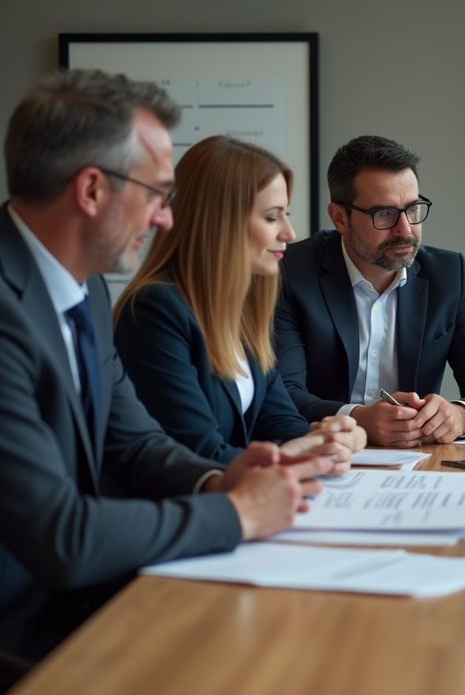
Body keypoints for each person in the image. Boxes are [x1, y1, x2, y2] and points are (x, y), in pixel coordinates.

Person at [0, 69, 330, 665]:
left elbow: (135, 445)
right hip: (27, 636)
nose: (165, 219)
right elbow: (62, 534)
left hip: (85, 603)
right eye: (156, 194)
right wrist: (234, 513)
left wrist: (220, 479)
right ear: (93, 190)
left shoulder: (84, 292)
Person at [113, 136, 366, 467]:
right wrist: (293, 457)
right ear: (221, 222)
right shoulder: (155, 311)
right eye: (273, 217)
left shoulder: (242, 311)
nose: (290, 233)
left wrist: (328, 439)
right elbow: (197, 453)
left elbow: (277, 421)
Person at [274, 135, 465, 448]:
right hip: (322, 457)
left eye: (413, 209)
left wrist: (460, 415)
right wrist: (356, 418)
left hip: (418, 465)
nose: (405, 229)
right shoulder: (291, 273)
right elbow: (281, 393)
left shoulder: (448, 275)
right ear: (339, 217)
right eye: (384, 214)